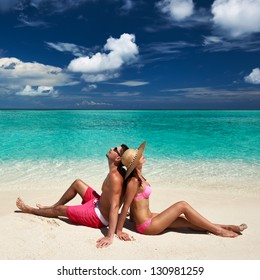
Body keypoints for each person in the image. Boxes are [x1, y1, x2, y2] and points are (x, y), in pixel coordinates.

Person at [116, 141, 247, 240]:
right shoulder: (133, 181)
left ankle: (224, 226)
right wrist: (119, 231)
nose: (142, 155)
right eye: (139, 156)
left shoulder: (140, 177)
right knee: (182, 205)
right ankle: (219, 231)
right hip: (147, 226)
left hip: (150, 217)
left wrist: (133, 218)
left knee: (185, 220)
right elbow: (126, 206)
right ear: (134, 163)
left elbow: (136, 206)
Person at [16, 144, 129, 248]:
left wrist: (110, 236)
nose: (111, 148)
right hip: (97, 202)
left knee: (60, 210)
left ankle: (31, 210)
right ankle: (52, 206)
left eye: (115, 149)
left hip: (98, 216)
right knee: (77, 183)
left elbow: (115, 206)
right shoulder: (118, 171)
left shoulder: (115, 177)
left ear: (118, 158)